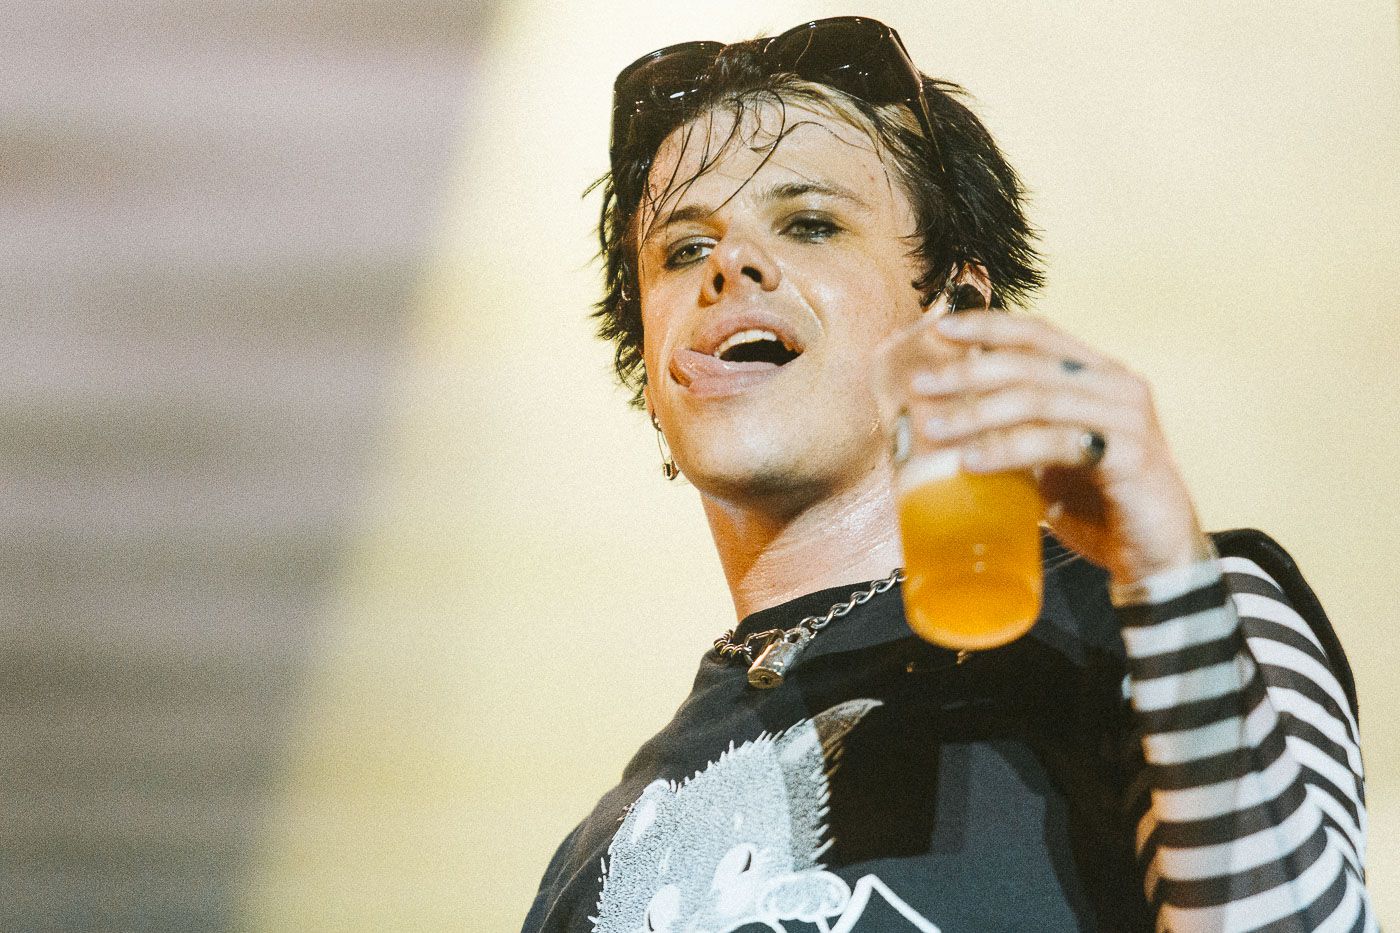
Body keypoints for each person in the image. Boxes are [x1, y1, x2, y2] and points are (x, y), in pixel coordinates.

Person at [523, 17, 1373, 932]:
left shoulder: (1164, 622)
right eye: (684, 249)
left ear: (954, 311)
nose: (730, 264)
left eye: (810, 224)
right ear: (653, 373)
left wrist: (1168, 581)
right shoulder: (594, 861)